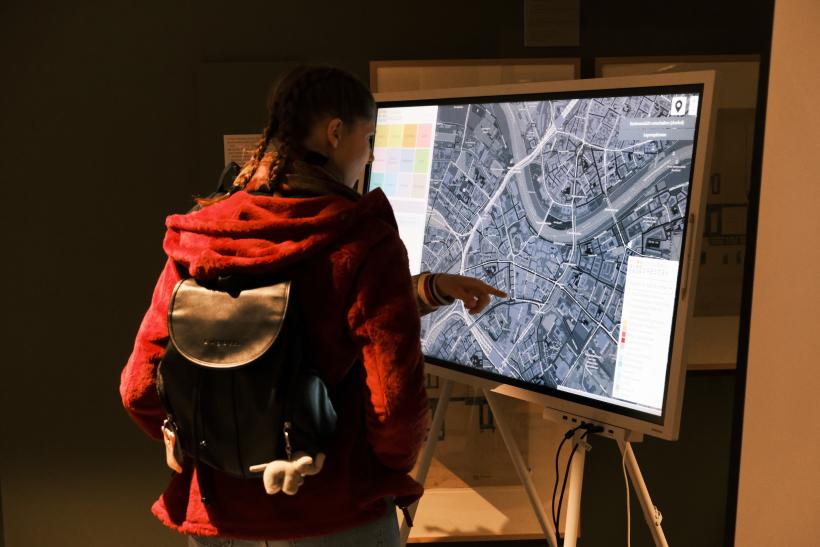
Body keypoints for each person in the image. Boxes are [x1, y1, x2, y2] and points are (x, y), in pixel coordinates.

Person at [120, 65, 506, 546]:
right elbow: (395, 415)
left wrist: (197, 440)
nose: (369, 156)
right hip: (333, 514)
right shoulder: (364, 239)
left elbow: (139, 389)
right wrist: (370, 467)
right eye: (368, 139)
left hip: (216, 515)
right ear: (336, 133)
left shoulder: (201, 233)